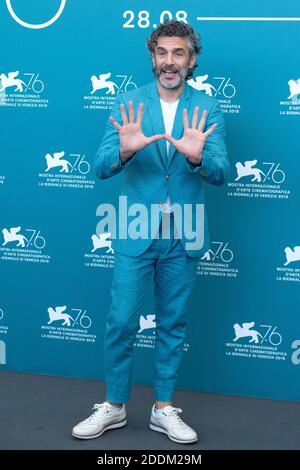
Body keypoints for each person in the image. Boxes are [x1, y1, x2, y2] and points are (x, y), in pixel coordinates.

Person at [72, 19, 229, 444]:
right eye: (162, 53)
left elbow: (221, 171)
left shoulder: (208, 108)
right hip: (134, 229)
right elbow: (101, 165)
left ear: (192, 59)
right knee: (121, 319)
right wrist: (126, 147)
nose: (169, 61)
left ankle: (163, 408)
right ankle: (115, 405)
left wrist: (197, 158)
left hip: (185, 231)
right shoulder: (129, 103)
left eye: (178, 53)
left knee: (172, 322)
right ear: (153, 57)